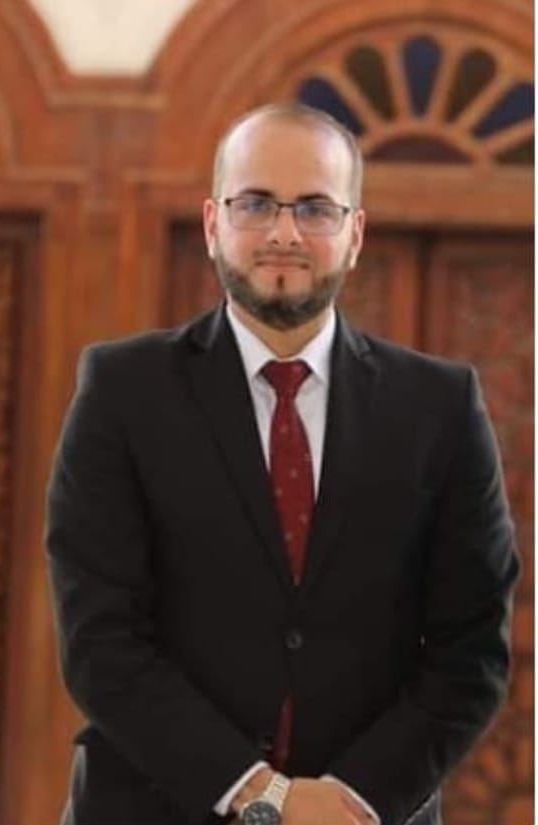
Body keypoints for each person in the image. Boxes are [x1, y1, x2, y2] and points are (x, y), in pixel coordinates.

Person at [45, 103, 518, 825]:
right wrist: (264, 796)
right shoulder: (123, 392)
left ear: (355, 234)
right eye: (257, 203)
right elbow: (100, 643)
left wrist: (350, 800)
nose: (285, 233)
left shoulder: (441, 407)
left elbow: (472, 651)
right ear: (213, 223)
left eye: (316, 208)